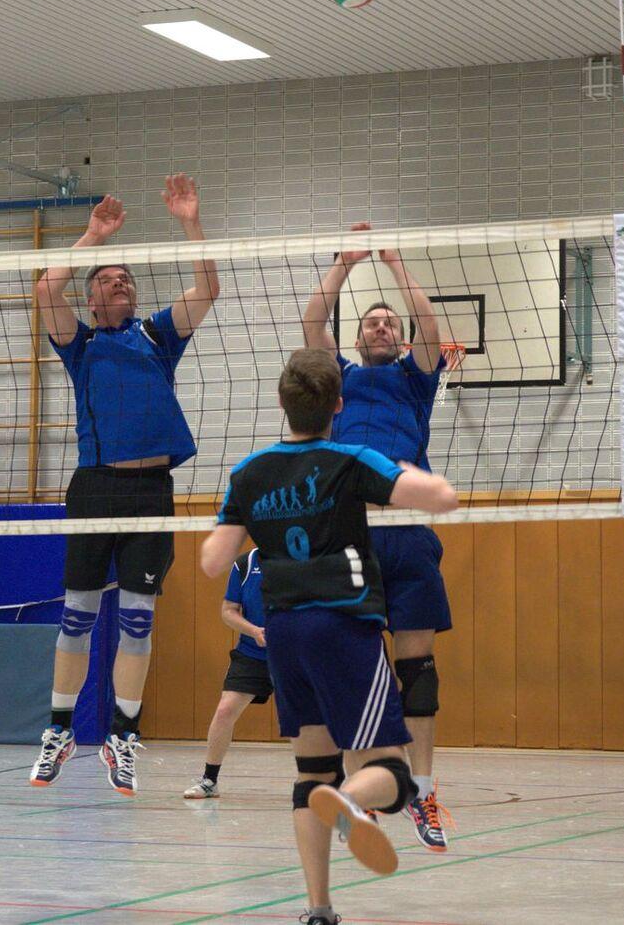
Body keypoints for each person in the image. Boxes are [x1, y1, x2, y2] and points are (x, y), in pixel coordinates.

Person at [201, 349, 458, 925]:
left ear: (281, 404)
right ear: (339, 405)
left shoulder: (250, 473)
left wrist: (247, 523)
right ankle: (347, 804)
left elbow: (214, 561)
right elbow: (443, 498)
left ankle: (319, 907)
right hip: (343, 625)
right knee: (392, 776)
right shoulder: (350, 458)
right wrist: (413, 472)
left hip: (283, 631)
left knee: (311, 773)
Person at [29, 173, 219, 796]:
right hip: (94, 489)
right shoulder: (79, 344)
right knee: (79, 614)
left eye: (127, 279)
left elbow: (208, 287)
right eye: (109, 281)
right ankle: (59, 729)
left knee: (139, 620)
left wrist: (189, 222)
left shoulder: (158, 336)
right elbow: (44, 288)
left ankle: (122, 736)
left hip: (151, 493)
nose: (122, 283)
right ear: (92, 301)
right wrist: (92, 235)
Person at [301, 224, 455, 851]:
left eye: (389, 324)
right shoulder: (337, 381)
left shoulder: (416, 381)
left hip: (407, 529)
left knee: (416, 668)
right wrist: (344, 263)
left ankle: (421, 791)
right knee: (352, 665)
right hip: (350, 532)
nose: (383, 327)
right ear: (358, 337)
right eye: (372, 324)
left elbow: (430, 325)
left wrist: (393, 263)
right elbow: (313, 323)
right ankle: (358, 794)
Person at [183, 548, 271, 800]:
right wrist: (254, 631)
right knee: (225, 710)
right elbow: (228, 610)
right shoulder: (246, 563)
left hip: (294, 652)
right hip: (252, 652)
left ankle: (322, 781)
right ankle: (210, 780)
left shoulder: (303, 557)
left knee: (312, 717)